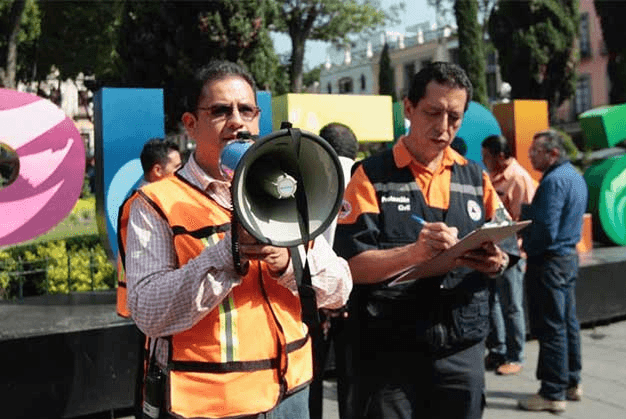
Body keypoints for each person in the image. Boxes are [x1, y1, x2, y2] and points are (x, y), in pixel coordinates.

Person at [125, 60, 352, 419]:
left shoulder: (286, 190)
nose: (237, 121)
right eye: (220, 110)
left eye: (247, 110)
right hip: (210, 404)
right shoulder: (156, 203)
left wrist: (288, 265)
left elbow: (340, 288)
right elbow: (148, 311)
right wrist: (225, 257)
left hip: (289, 394)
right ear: (190, 124)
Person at [334, 61, 519, 419]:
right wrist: (415, 253)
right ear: (408, 108)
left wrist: (498, 262)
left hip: (462, 350)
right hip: (389, 355)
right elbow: (350, 267)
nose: (444, 128)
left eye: (455, 117)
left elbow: (508, 247)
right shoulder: (370, 176)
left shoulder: (474, 177)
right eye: (433, 113)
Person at [517, 129, 587, 413]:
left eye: (536, 151)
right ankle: (571, 382)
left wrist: (527, 247)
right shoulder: (573, 176)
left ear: (553, 153)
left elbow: (547, 228)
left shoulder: (554, 181)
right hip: (567, 258)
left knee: (551, 327)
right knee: (567, 323)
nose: (531, 155)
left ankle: (552, 391)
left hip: (550, 261)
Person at [308, 122, 358, 419]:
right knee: (352, 382)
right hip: (355, 300)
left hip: (314, 298)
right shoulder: (366, 178)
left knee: (309, 379)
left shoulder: (310, 177)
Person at [481, 134, 537, 376]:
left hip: (512, 250)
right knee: (492, 302)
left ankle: (516, 356)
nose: (484, 161)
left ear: (501, 156)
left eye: (487, 156)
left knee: (512, 305)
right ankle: (498, 350)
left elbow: (528, 220)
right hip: (492, 247)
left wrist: (521, 252)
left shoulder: (519, 178)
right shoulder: (491, 178)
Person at [116, 138, 182, 318]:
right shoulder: (144, 205)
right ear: (158, 171)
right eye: (177, 168)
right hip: (153, 307)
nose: (182, 174)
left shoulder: (145, 201)